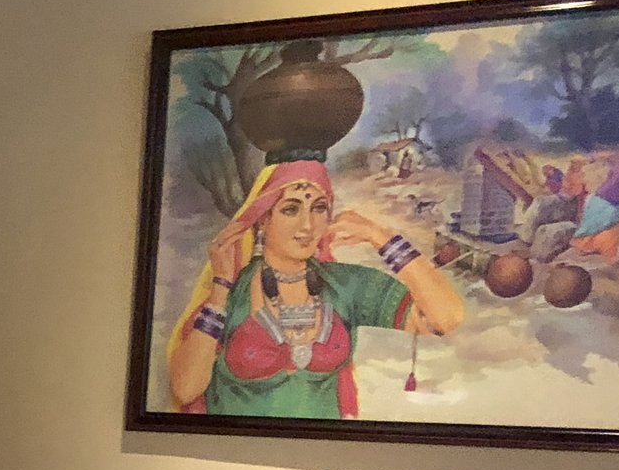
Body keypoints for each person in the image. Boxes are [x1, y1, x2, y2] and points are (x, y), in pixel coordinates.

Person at [167, 160, 464, 419]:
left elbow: (447, 317)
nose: (308, 225)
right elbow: (186, 388)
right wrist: (220, 287)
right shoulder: (233, 292)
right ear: (262, 220)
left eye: (319, 208)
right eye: (291, 209)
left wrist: (381, 237)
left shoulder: (343, 286)